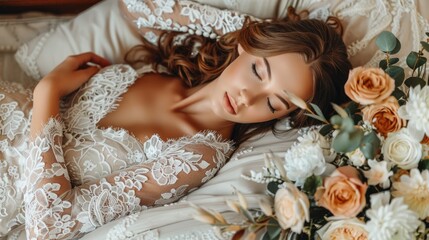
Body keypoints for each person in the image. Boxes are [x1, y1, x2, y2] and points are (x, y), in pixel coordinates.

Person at [0, 1, 351, 239]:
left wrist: (47, 93)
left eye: (274, 102)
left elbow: (50, 226)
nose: (249, 97)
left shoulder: (197, 156)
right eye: (259, 70)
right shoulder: (165, 67)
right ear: (249, 46)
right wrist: (254, 31)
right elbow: (136, 7)